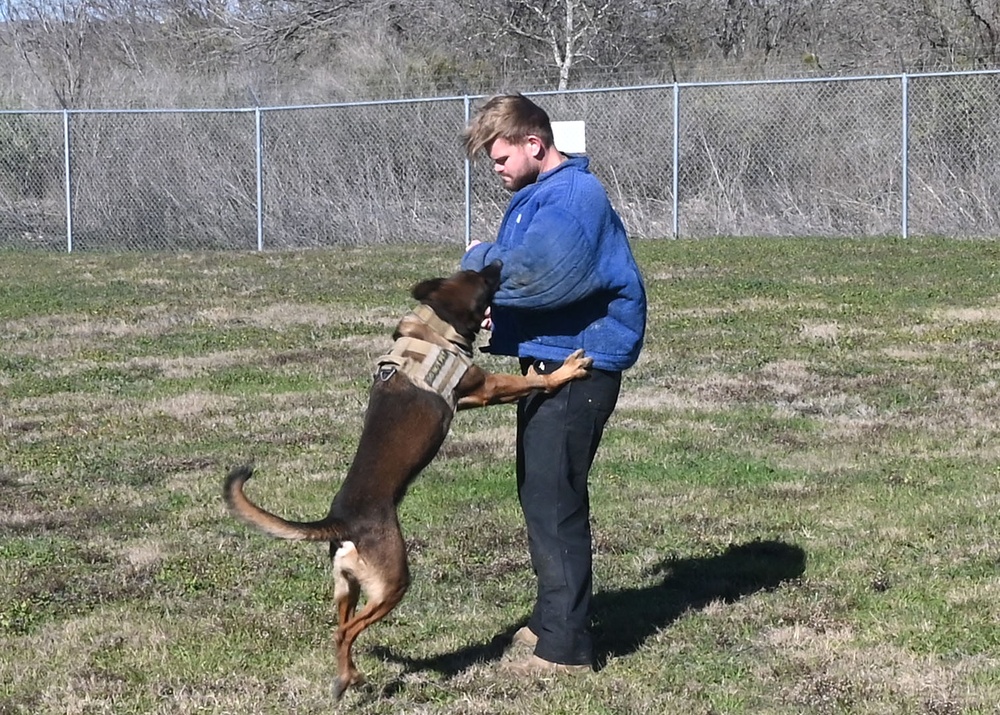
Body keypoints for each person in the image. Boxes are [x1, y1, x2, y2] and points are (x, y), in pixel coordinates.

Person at [459, 93, 647, 676]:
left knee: (555, 498)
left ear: (534, 145)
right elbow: (535, 285)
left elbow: (543, 274)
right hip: (552, 362)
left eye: (499, 158)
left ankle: (565, 649)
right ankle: (552, 618)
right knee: (542, 493)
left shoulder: (572, 197)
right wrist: (501, 313)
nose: (495, 169)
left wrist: (478, 259)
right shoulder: (543, 195)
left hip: (580, 369)